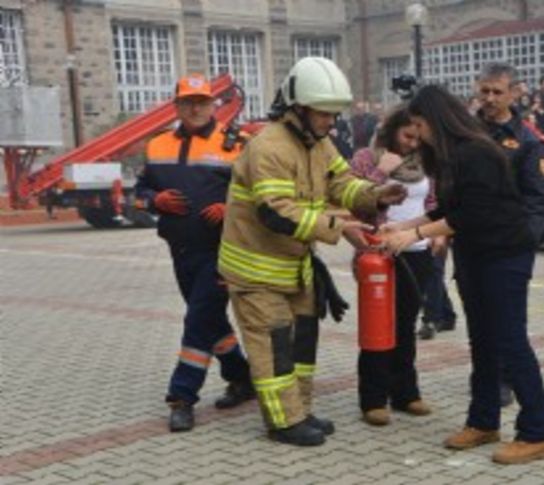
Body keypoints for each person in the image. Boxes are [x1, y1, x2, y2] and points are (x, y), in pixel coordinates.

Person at [218, 57, 406, 447]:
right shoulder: (267, 147)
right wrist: (335, 226)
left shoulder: (317, 143)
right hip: (257, 273)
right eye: (324, 114)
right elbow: (274, 212)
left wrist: (373, 196)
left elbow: (342, 183)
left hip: (294, 268)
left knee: (302, 344)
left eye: (334, 115)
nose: (331, 123)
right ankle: (283, 422)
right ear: (298, 108)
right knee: (275, 350)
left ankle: (300, 411)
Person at [381, 85, 544, 465]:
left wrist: (411, 235)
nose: (418, 133)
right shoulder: (449, 156)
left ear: (436, 120)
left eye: (420, 125)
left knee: (510, 341)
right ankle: (483, 421)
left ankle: (537, 432)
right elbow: (447, 208)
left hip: (504, 254)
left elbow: (470, 214)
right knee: (482, 341)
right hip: (475, 256)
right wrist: (402, 226)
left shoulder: (477, 152)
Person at [134, 74, 254, 432]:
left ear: (214, 104)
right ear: (177, 106)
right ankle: (241, 377)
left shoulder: (239, 144)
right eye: (188, 101)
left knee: (197, 319)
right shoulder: (157, 146)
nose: (196, 107)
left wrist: (230, 206)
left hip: (224, 251)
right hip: (180, 249)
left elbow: (261, 193)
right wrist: (156, 200)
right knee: (210, 321)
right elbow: (137, 193)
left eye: (203, 101)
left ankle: (182, 396)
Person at [349, 105, 435, 426]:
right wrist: (381, 172)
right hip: (378, 253)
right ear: (391, 129)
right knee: (377, 324)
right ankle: (373, 398)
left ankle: (406, 393)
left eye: (417, 137)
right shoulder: (367, 158)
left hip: (418, 250)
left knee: (405, 325)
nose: (412, 143)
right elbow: (351, 200)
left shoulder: (426, 160)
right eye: (406, 135)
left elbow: (432, 202)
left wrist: (436, 237)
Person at [474, 62, 544, 409]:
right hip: (474, 243)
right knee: (480, 321)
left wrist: (528, 238)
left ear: (514, 93)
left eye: (497, 92)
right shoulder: (469, 131)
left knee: (509, 321)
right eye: (484, 90)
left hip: (510, 245)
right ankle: (484, 381)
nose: (489, 98)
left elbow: (536, 198)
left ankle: (506, 379)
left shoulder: (527, 140)